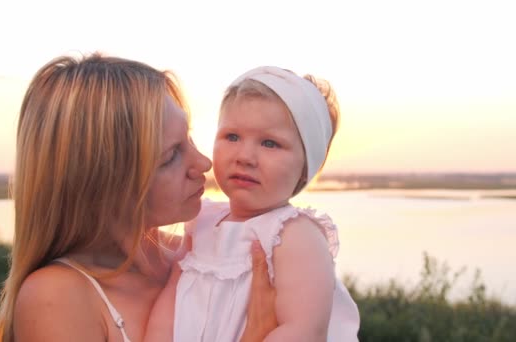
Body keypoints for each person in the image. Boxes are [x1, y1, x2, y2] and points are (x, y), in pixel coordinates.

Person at [0, 53, 278, 342]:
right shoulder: (57, 297)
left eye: (189, 138)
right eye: (171, 156)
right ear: (102, 181)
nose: (203, 164)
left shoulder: (206, 257)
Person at [146, 66, 360, 341]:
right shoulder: (203, 223)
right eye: (232, 137)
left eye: (270, 143)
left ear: (306, 167)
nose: (245, 156)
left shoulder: (294, 236)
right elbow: (171, 302)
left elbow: (303, 331)